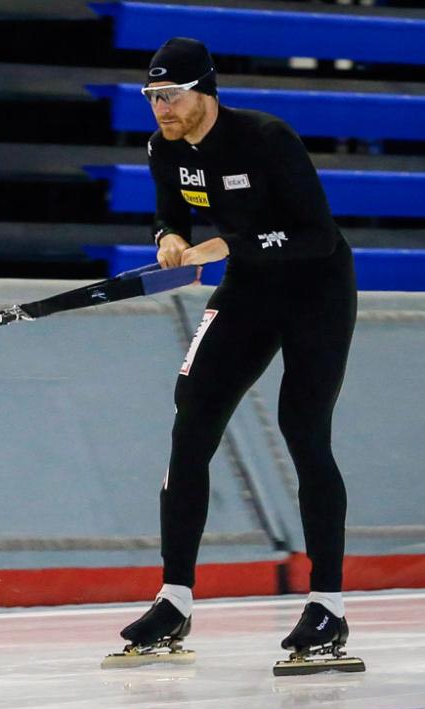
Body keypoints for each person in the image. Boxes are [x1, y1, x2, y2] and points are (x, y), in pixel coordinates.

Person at [114, 38, 359, 666]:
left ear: (205, 91)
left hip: (315, 288)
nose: (161, 109)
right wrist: (170, 237)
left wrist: (227, 246)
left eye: (171, 96)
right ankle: (174, 598)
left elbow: (317, 234)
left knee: (303, 429)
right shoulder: (163, 147)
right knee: (191, 416)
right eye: (152, 98)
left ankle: (327, 607)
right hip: (249, 290)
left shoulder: (267, 138)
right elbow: (171, 212)